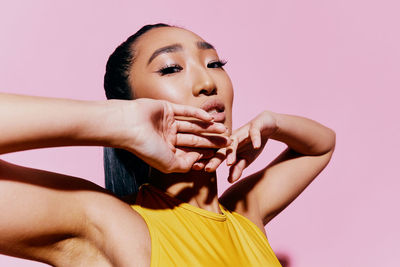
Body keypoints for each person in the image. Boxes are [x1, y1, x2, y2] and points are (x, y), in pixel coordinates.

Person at [0, 23, 335, 266]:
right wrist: (116, 123)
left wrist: (273, 123)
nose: (207, 82)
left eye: (214, 63)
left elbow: (321, 146)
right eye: (171, 68)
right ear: (132, 104)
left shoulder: (246, 216)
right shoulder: (114, 227)